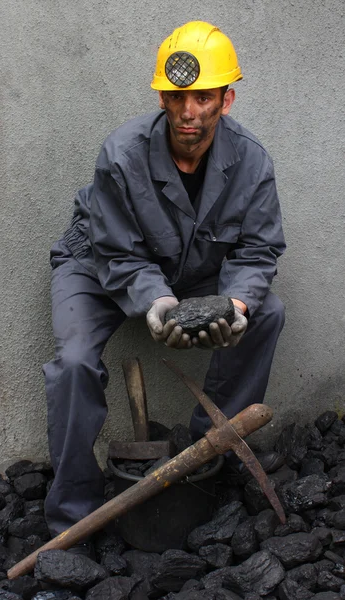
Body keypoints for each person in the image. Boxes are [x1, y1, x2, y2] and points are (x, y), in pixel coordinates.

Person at [43, 21, 286, 549]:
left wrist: (237, 305)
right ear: (161, 95)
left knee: (268, 312)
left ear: (227, 98)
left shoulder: (252, 161)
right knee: (74, 362)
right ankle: (73, 515)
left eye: (203, 97)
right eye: (177, 97)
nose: (189, 112)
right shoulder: (121, 154)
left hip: (191, 269)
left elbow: (258, 250)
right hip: (99, 264)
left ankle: (205, 457)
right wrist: (158, 304)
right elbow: (116, 251)